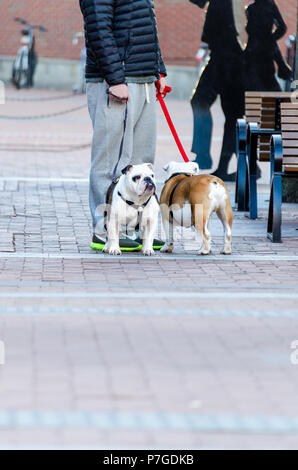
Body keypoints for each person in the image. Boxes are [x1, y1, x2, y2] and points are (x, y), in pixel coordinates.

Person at [79, 0, 167, 252]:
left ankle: (135, 228)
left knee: (141, 161)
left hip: (142, 79)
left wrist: (157, 70)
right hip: (115, 82)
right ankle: (105, 230)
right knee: (111, 162)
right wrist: (115, 78)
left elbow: (146, 27)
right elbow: (98, 29)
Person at [189, 0, 245, 181]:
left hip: (227, 60)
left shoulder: (221, 3)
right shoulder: (218, 3)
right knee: (230, 115)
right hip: (224, 58)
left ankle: (214, 160)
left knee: (230, 115)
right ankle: (213, 160)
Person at [245, 0, 292, 92]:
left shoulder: (253, 9)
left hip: (256, 57)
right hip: (258, 57)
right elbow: (282, 28)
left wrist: (269, 39)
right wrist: (270, 40)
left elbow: (282, 28)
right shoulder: (255, 8)